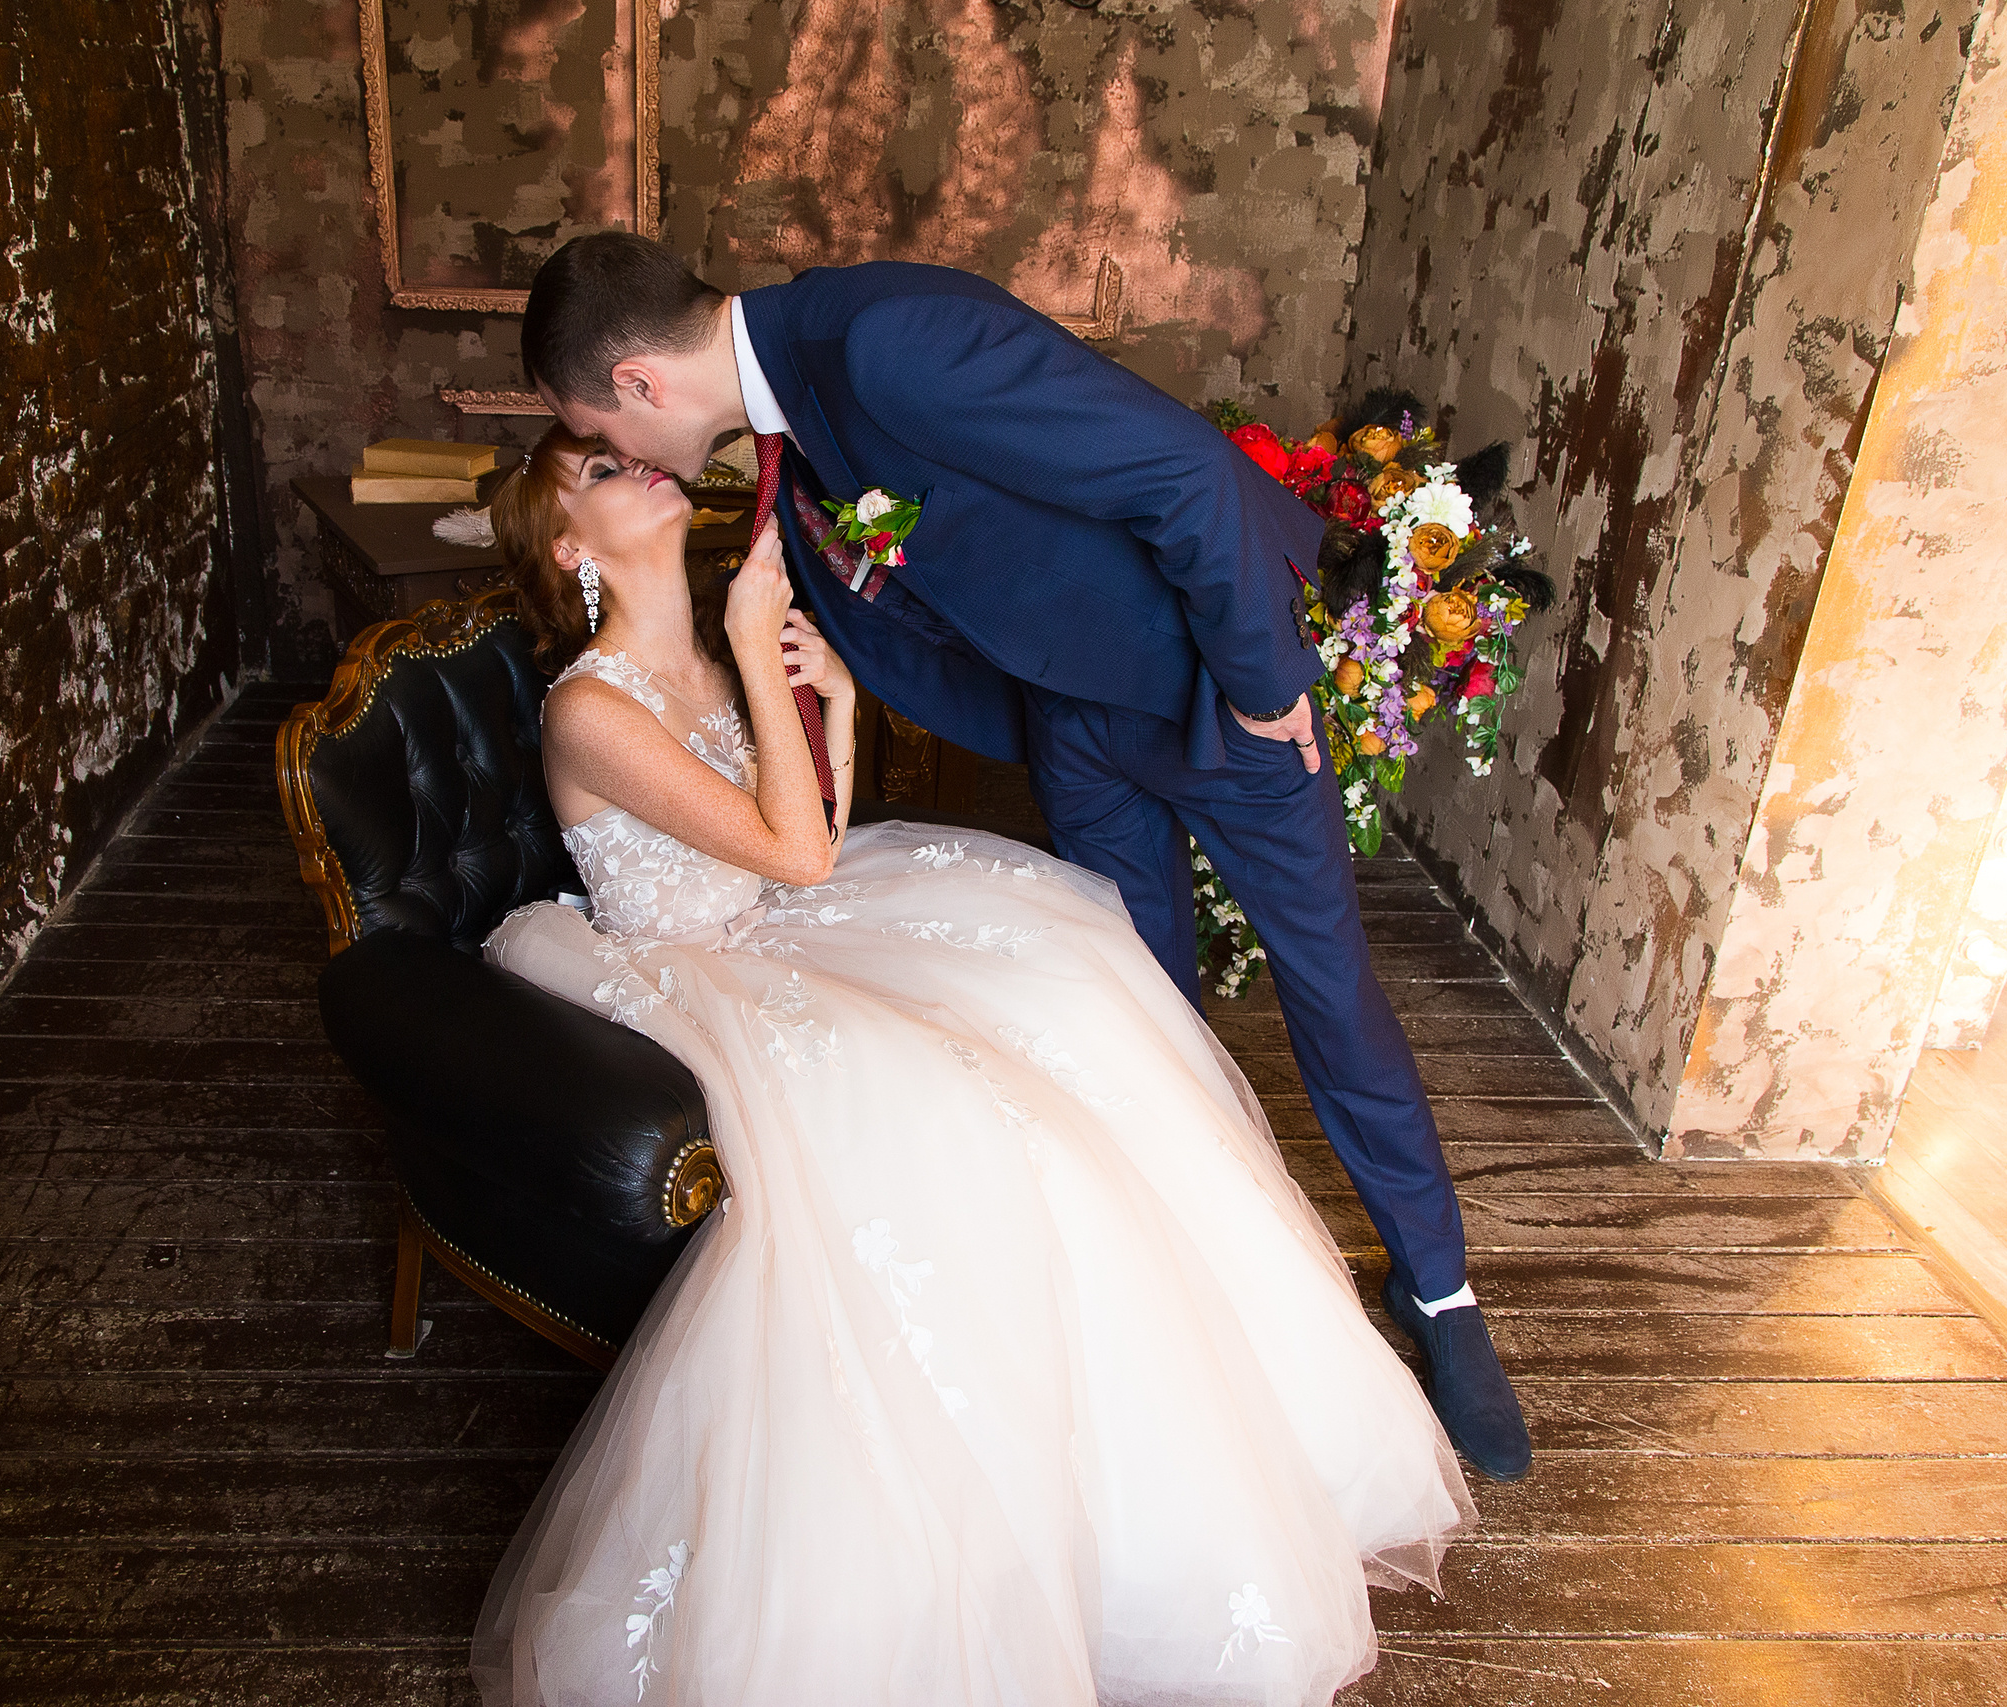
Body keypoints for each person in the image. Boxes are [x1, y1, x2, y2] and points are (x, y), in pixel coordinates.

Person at [468, 423, 1473, 1706]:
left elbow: (815, 827)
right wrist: (777, 670)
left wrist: (824, 691)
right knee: (967, 1105)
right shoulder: (594, 705)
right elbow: (795, 854)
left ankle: (1176, 1480)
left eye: (625, 453)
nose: (638, 467)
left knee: (1073, 979)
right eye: (599, 474)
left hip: (788, 923)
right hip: (698, 975)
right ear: (571, 548)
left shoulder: (708, 664)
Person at [518, 234, 1532, 1484]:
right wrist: (1052, 736)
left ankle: (1439, 1297)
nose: (627, 462)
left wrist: (1267, 684)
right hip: (1083, 735)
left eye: (598, 434)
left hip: (1224, 697)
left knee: (1326, 989)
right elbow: (917, 642)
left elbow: (1181, 472)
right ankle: (1194, 1281)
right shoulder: (783, 486)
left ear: (635, 382)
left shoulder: (883, 336)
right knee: (1134, 1005)